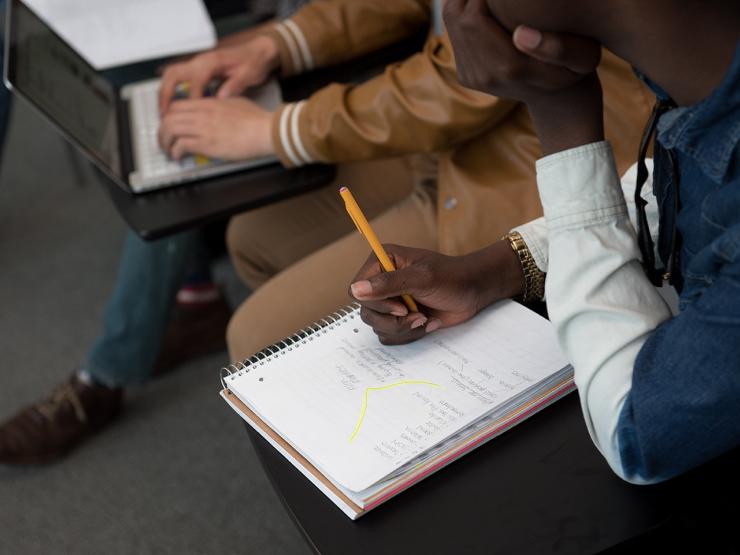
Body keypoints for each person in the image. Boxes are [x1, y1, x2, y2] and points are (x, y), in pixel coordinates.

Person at [349, 0, 740, 486]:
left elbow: (637, 434)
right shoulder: (692, 73)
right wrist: (496, 269)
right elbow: (669, 197)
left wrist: (563, 115)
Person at [152, 0, 654, 363]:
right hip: (460, 137)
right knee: (252, 240)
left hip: (534, 157)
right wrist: (278, 42)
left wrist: (280, 129)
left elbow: (477, 69)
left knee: (254, 336)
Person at [0, 0, 306, 465]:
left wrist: (275, 45)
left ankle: (104, 378)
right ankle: (197, 297)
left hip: (263, 19)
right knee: (130, 114)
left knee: (160, 158)